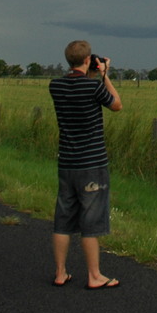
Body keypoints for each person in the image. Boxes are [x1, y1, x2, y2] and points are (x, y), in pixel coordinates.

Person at [48, 40, 123, 290]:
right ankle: (94, 275)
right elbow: (116, 104)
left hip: (67, 163)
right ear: (88, 59)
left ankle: (60, 272)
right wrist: (104, 75)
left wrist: (92, 73)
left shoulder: (55, 86)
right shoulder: (93, 87)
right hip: (91, 164)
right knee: (90, 223)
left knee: (63, 219)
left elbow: (75, 86)